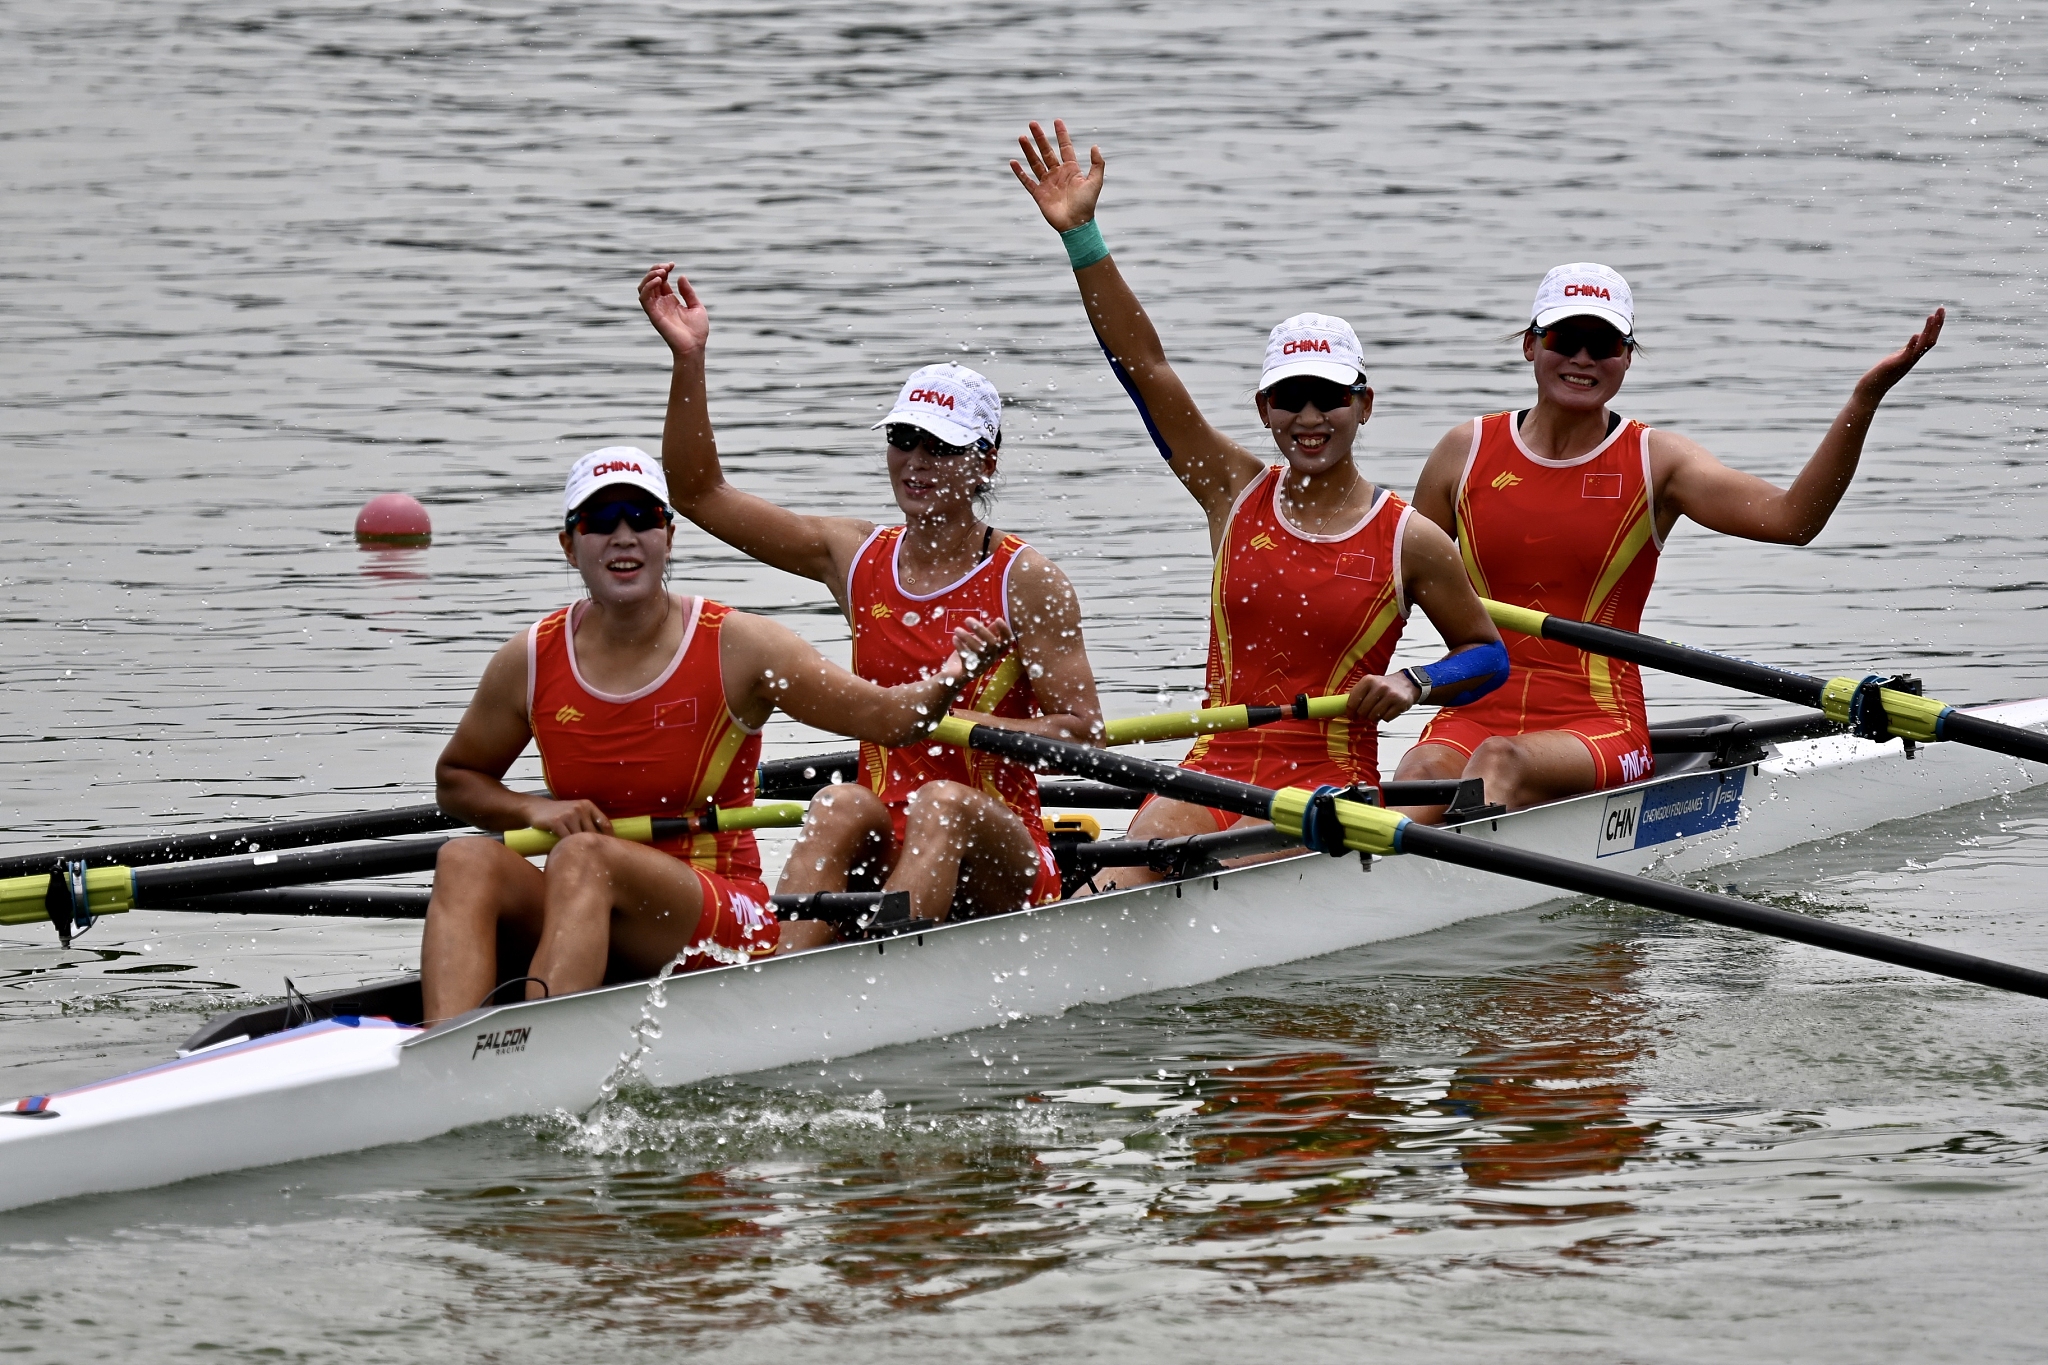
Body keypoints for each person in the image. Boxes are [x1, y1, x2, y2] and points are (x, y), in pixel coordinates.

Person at [1008, 119, 1509, 883]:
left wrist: (1415, 683)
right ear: (1264, 407)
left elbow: (1486, 654)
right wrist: (1083, 239)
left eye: (1328, 398)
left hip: (1325, 789)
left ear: (1364, 405)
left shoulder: (1409, 539)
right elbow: (1143, 367)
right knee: (1113, 884)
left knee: (1224, 864)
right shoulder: (1231, 491)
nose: (1309, 418)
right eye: (1290, 399)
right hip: (1213, 763)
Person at [421, 447, 1014, 1024]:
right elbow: (458, 782)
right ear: (569, 545)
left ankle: (531, 1050)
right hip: (592, 898)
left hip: (723, 911)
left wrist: (952, 677)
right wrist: (530, 809)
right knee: (465, 858)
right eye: (600, 522)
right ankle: (438, 1056)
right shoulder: (528, 659)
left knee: (582, 857)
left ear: (669, 538)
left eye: (643, 519)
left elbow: (890, 719)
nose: (623, 537)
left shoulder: (738, 645)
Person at [637, 263, 1104, 921]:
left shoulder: (1026, 579)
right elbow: (698, 494)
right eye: (902, 438)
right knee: (838, 801)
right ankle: (780, 977)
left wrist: (962, 725)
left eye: (939, 446)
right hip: (888, 834)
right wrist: (689, 359)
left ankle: (889, 973)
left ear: (986, 461)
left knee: (941, 803)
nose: (915, 460)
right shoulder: (854, 556)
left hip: (1004, 845)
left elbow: (1086, 737)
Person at [1393, 263, 1946, 812]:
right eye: (1566, 338)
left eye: (1605, 344)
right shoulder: (1462, 454)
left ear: (1627, 358)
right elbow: (1391, 595)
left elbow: (1792, 519)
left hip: (1600, 724)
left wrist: (1863, 402)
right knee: (1417, 773)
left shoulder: (1657, 463)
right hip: (1470, 713)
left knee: (1499, 762)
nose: (1584, 358)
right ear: (1531, 347)